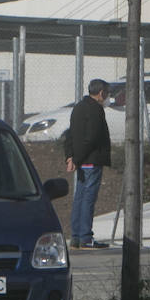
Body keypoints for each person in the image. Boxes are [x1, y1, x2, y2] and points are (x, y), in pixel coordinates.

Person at [66, 78, 111, 249]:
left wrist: (70, 156)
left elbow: (70, 134)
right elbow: (92, 137)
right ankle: (85, 237)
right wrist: (77, 158)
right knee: (88, 198)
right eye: (106, 93)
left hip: (81, 160)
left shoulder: (78, 107)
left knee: (80, 197)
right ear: (101, 93)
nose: (107, 97)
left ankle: (76, 236)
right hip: (90, 160)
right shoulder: (95, 110)